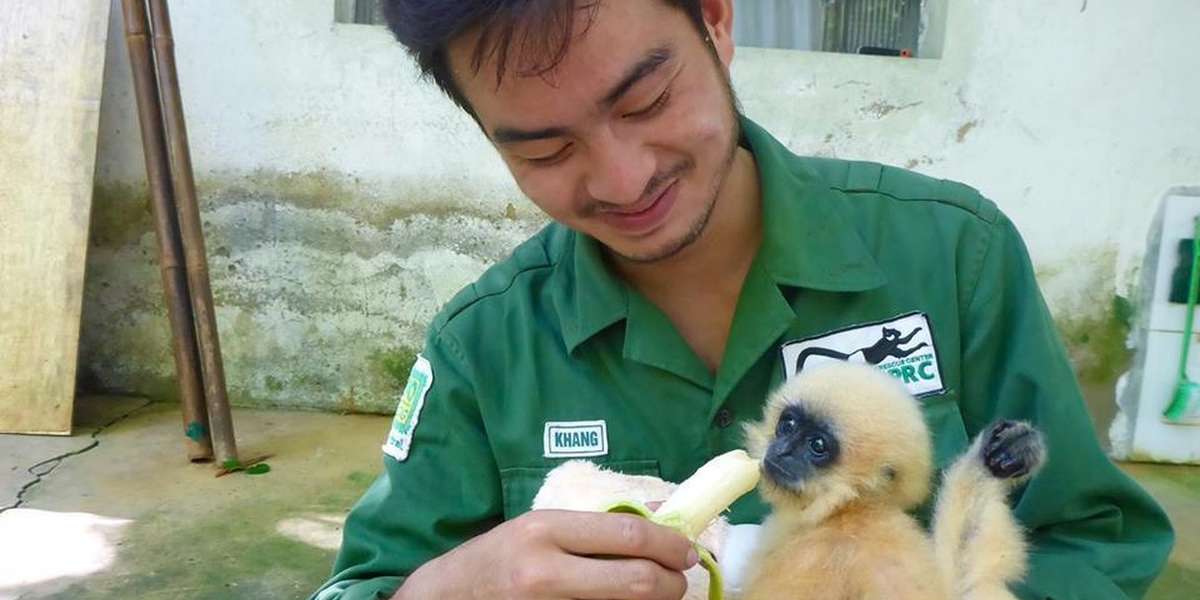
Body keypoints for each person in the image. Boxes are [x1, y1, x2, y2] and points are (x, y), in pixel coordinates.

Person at [313, 1, 1174, 598]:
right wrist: (452, 589)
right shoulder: (483, 349)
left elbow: (1094, 542)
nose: (623, 179)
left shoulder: (953, 257)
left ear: (717, 21)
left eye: (647, 100)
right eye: (546, 151)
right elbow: (365, 583)